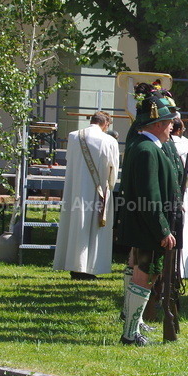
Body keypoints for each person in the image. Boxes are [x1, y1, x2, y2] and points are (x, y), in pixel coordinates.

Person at [115, 89, 183, 346]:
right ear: (157, 124)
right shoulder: (147, 150)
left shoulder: (149, 147)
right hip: (147, 225)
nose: (170, 128)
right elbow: (150, 196)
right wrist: (163, 229)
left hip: (146, 224)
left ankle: (133, 329)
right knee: (143, 274)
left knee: (147, 273)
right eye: (167, 123)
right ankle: (130, 333)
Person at [53, 111, 120, 279]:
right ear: (106, 124)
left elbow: (70, 160)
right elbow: (113, 170)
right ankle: (90, 268)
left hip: (75, 188)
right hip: (98, 190)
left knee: (75, 225)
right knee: (94, 228)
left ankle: (74, 266)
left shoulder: (73, 136)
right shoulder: (109, 140)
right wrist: (109, 188)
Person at [170, 118, 188, 278]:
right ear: (180, 129)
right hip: (181, 191)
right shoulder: (186, 144)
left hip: (164, 192)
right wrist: (182, 186)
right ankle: (179, 269)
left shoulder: (162, 142)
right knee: (181, 227)